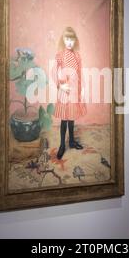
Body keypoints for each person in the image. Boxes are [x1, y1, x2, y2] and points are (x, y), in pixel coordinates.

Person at [52, 27, 86, 160]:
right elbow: (53, 71)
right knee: (64, 119)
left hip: (75, 89)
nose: (69, 42)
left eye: (72, 39)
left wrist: (82, 88)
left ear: (75, 40)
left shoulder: (77, 56)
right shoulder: (60, 55)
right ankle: (62, 145)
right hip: (65, 89)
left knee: (72, 117)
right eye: (67, 39)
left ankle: (71, 141)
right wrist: (60, 85)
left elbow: (80, 72)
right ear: (63, 40)